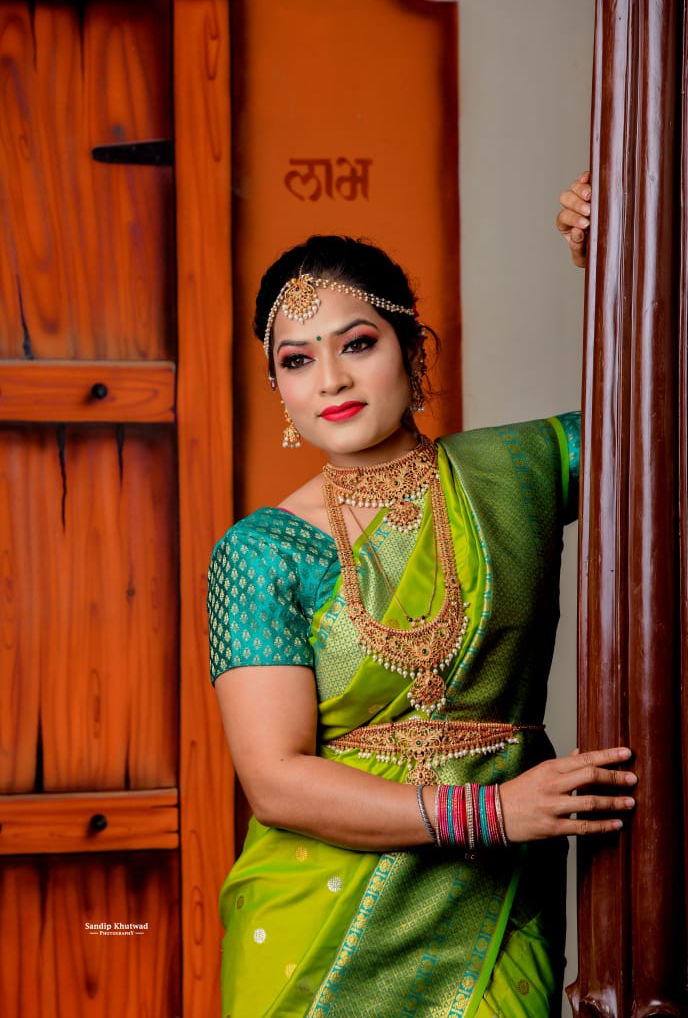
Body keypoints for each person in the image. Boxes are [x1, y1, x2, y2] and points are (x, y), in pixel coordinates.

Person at [207, 184, 636, 1017]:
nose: (330, 379)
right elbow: (277, 783)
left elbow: (658, 422)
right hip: (318, 931)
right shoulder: (259, 552)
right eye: (296, 360)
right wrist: (494, 811)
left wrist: (617, 264)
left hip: (493, 906)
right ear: (278, 388)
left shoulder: (515, 473)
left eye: (357, 344)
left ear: (412, 349)